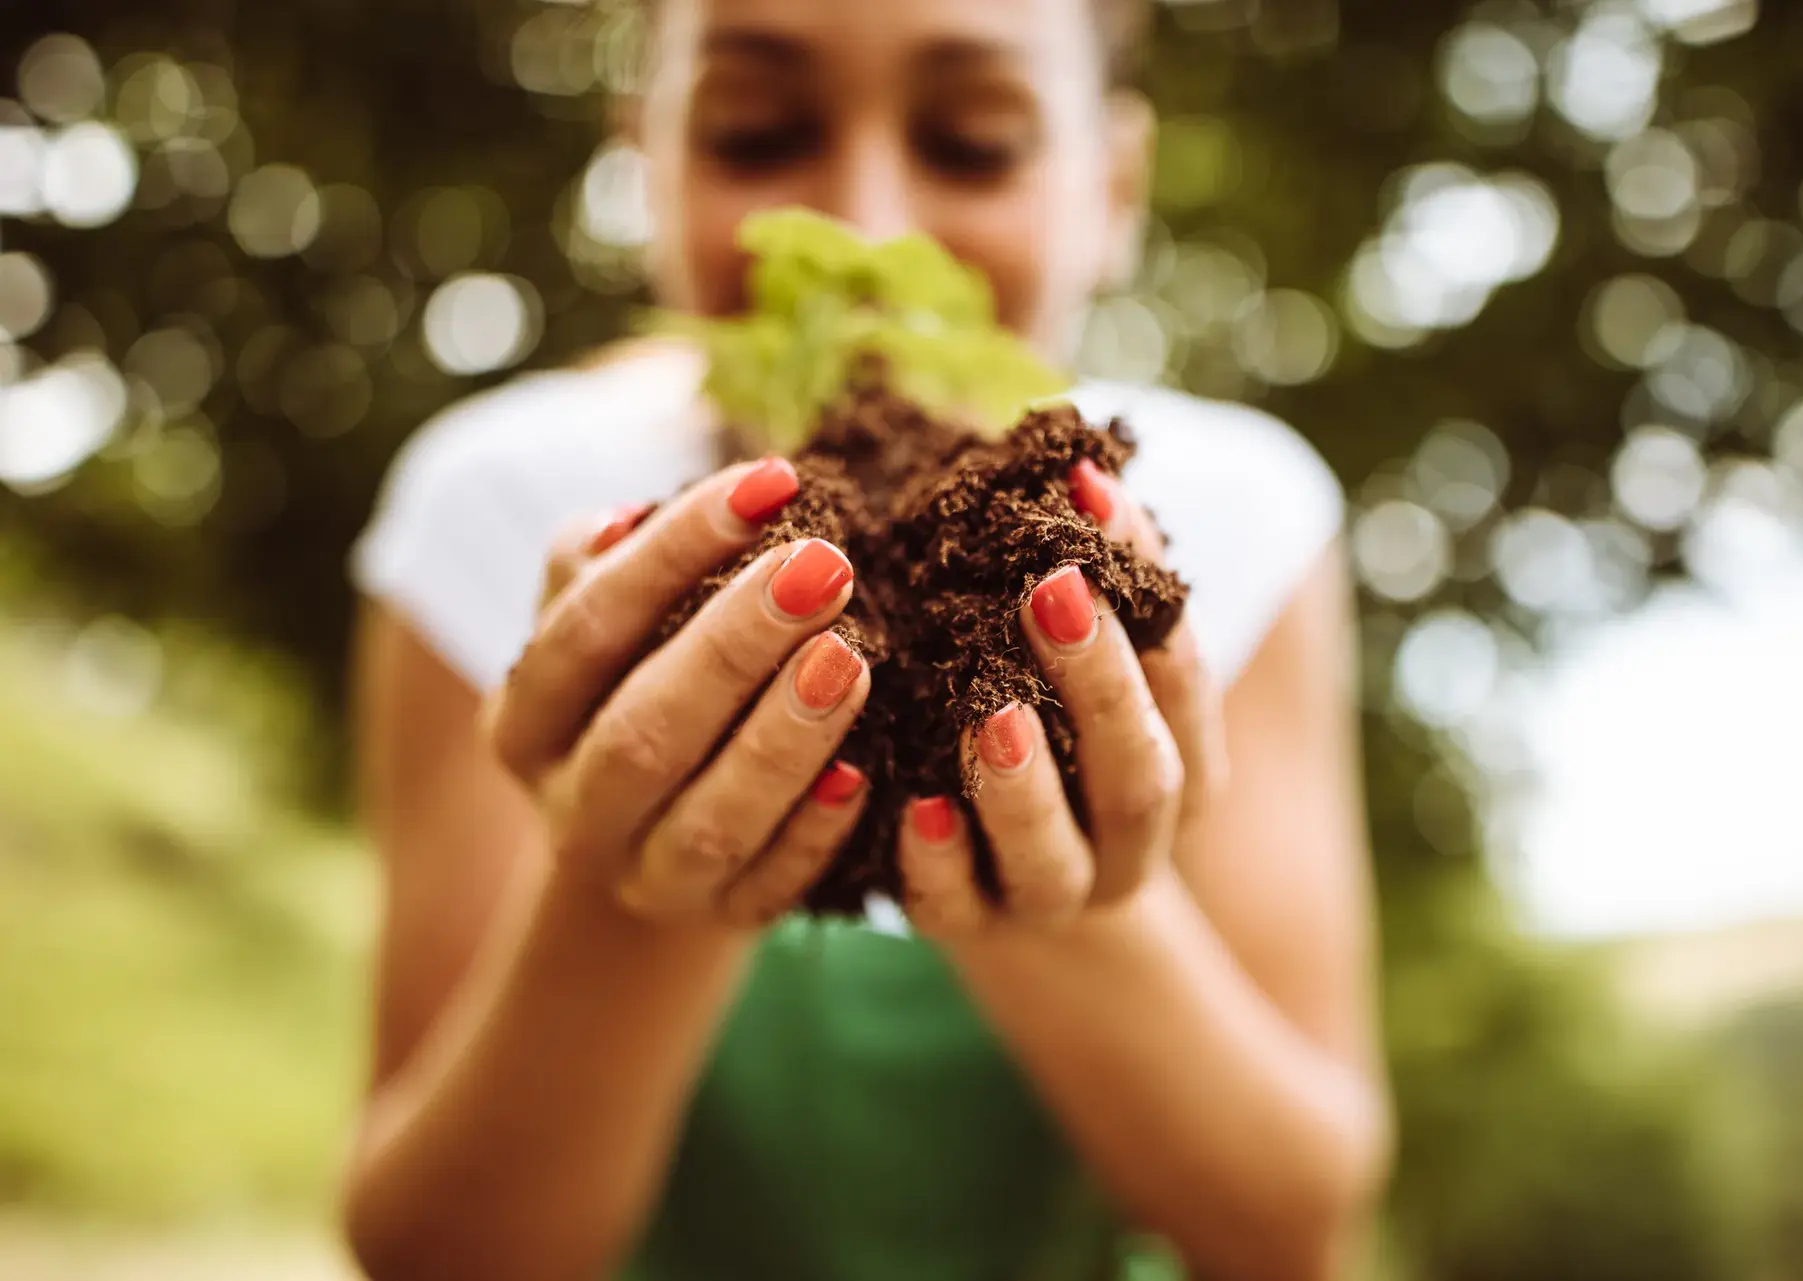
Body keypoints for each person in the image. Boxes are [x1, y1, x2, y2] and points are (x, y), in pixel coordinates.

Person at [340, 1, 1390, 1278]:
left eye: (975, 142)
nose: (865, 230)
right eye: (755, 133)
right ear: (643, 159)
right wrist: (628, 884)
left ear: (1113, 190)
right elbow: (436, 1250)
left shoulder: (1229, 520)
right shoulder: (510, 512)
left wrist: (1057, 865)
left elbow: (1287, 1227)